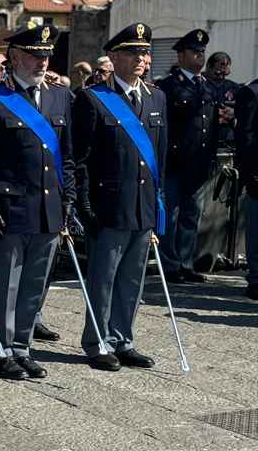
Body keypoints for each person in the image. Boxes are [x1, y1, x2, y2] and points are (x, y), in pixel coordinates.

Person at [0, 25, 75, 379]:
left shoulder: (59, 98)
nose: (41, 62)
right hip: (8, 207)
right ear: (14, 58)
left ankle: (23, 346)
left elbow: (67, 156)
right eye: (33, 55)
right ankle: (1, 349)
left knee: (35, 283)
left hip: (48, 207)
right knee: (6, 283)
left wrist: (68, 195)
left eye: (45, 56)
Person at [72, 22, 166, 371]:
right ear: (113, 57)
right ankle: (97, 341)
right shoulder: (93, 98)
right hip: (108, 203)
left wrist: (159, 205)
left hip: (142, 204)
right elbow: (80, 159)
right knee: (104, 277)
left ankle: (123, 338)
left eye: (144, 51)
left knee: (132, 278)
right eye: (132, 51)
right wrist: (83, 206)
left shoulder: (157, 97)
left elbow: (160, 158)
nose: (141, 58)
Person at [155, 29, 217, 283]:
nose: (200, 56)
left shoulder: (207, 86)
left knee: (191, 216)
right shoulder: (167, 86)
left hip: (198, 163)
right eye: (195, 52)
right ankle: (169, 265)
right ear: (181, 56)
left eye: (202, 52)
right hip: (174, 162)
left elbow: (209, 126)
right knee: (170, 216)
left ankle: (186, 262)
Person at [234, 73, 258, 299]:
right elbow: (246, 136)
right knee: (256, 230)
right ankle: (256, 279)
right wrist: (251, 171)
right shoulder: (252, 93)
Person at [205, 50, 240, 150]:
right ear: (209, 67)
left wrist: (234, 112)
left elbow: (245, 111)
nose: (221, 74)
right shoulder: (199, 85)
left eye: (227, 65)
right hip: (205, 138)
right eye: (221, 65)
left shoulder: (234, 87)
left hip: (227, 139)